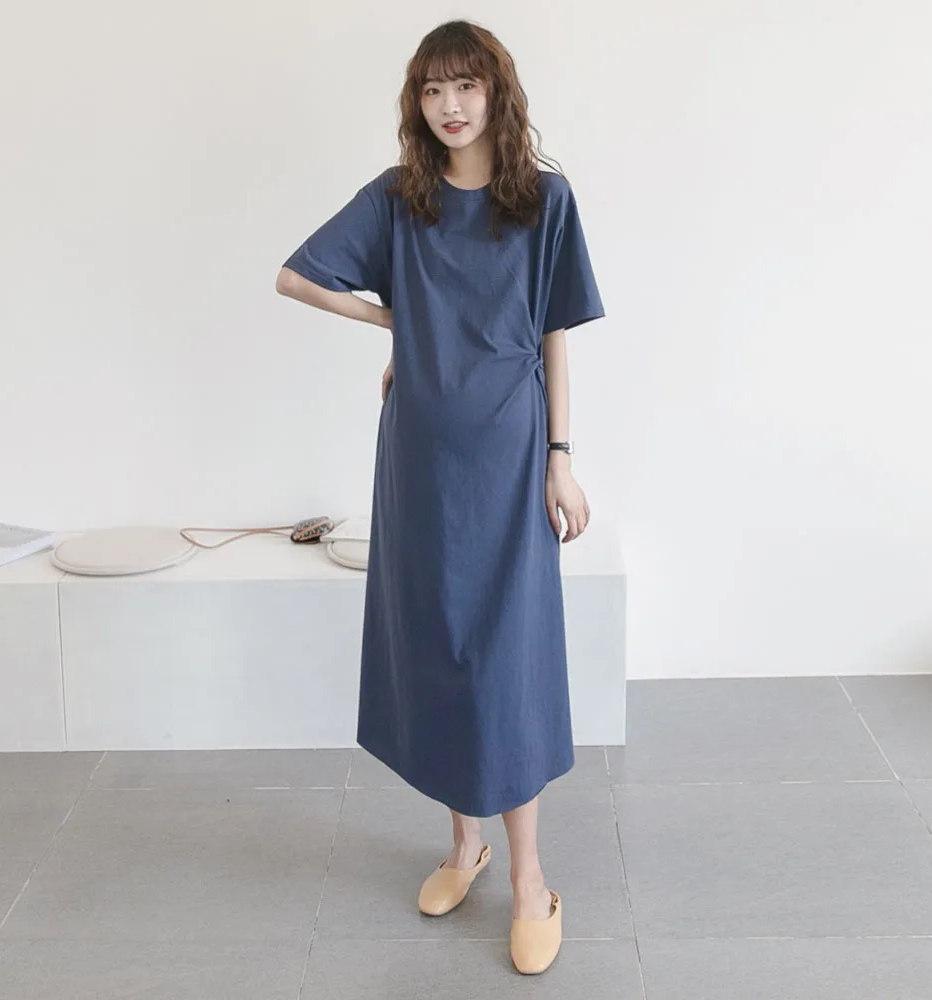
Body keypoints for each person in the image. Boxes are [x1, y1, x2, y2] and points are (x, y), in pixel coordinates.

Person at [276, 19, 604, 975]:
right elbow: (296, 277)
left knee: (506, 659)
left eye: (466, 85)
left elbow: (554, 334)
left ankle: (531, 881)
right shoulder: (400, 198)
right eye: (431, 89)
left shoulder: (544, 201)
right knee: (439, 645)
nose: (449, 106)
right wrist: (399, 323)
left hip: (510, 457)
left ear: (498, 92)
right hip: (419, 459)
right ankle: (466, 847)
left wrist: (561, 457)